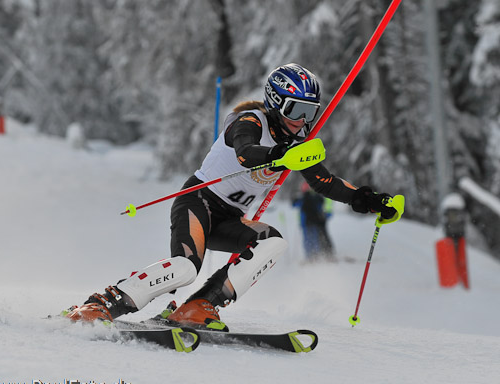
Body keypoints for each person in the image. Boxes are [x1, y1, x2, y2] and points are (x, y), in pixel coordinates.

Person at [67, 63, 399, 330]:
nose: (302, 121)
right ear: (275, 102)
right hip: (198, 203)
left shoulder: (297, 145)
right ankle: (103, 303)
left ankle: (200, 305)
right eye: (296, 109)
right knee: (185, 268)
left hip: (230, 219)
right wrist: (281, 154)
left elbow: (325, 182)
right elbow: (246, 153)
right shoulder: (249, 121)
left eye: (309, 113)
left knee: (274, 242)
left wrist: (369, 201)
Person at [292, 182, 334, 261]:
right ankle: (313, 256)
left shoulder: (309, 198)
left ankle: (313, 256)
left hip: (311, 222)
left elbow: (295, 204)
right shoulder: (308, 198)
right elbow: (295, 204)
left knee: (311, 240)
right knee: (313, 239)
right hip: (311, 222)